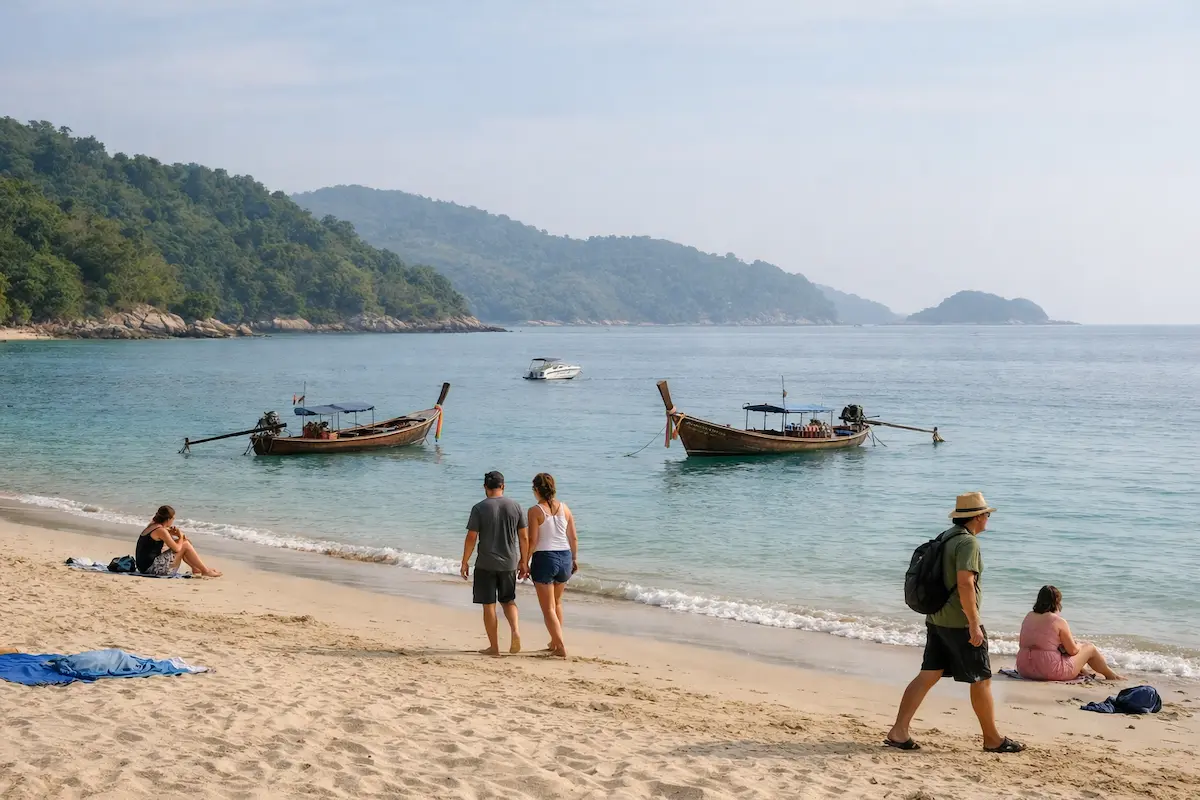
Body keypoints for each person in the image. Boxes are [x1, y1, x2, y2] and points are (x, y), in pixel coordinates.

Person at [885, 492, 1024, 754]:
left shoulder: (946, 537)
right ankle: (992, 739)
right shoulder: (968, 543)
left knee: (928, 674)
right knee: (981, 679)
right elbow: (965, 583)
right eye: (987, 514)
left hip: (936, 617)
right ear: (977, 517)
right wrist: (974, 623)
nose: (988, 518)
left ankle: (899, 731)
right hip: (959, 622)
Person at [461, 471, 529, 656]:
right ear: (503, 486)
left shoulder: (479, 508)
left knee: (489, 605)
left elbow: (471, 537)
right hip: (509, 563)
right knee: (508, 600)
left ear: (485, 487)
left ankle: (494, 647)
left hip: (486, 564)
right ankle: (515, 631)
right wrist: (524, 561)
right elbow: (524, 537)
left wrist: (465, 561)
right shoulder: (516, 506)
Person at [1016, 585, 1124, 681]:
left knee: (1061, 650)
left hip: (1024, 668)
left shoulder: (1029, 616)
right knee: (1089, 648)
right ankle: (1111, 675)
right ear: (1057, 602)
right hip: (1049, 670)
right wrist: (1079, 645)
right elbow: (1073, 651)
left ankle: (1084, 672)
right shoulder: (1058, 621)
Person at [525, 473, 579, 658]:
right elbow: (573, 537)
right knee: (557, 603)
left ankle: (560, 646)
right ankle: (554, 642)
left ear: (536, 490)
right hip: (565, 556)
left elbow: (533, 540)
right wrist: (574, 559)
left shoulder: (535, 511)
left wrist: (524, 561)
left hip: (545, 558)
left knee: (548, 608)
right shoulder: (565, 508)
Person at [135, 505, 222, 578]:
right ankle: (205, 571)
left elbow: (164, 544)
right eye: (173, 518)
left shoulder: (153, 526)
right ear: (168, 519)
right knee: (185, 544)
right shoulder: (160, 530)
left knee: (185, 542)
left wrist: (177, 536)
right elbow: (176, 549)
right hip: (151, 569)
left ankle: (196, 568)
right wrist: (180, 536)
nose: (173, 521)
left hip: (144, 567)